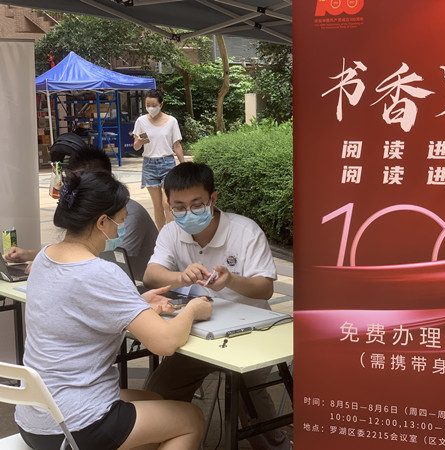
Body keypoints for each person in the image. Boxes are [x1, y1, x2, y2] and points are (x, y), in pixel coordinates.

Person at [14, 169, 213, 450]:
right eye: (119, 221)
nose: (120, 230)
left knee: (156, 401)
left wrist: (137, 304)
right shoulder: (102, 271)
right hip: (75, 425)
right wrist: (193, 309)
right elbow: (165, 343)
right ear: (101, 222)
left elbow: (78, 305)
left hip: (35, 417)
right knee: (191, 419)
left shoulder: (44, 258)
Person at [143, 162, 291, 450]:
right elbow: (151, 274)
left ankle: (275, 444)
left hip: (252, 332)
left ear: (213, 199)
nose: (188, 213)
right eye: (179, 207)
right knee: (163, 387)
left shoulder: (245, 231)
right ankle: (172, 438)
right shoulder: (171, 232)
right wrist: (179, 276)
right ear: (168, 205)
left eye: (197, 204)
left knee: (248, 400)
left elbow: (265, 288)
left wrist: (231, 281)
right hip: (199, 332)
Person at [5, 145, 158, 280]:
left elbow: (107, 261)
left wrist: (50, 263)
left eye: (84, 183)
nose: (75, 189)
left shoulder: (127, 214)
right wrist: (34, 255)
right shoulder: (87, 214)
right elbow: (73, 249)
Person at [133, 88, 185, 231]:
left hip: (167, 163)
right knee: (157, 205)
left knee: (167, 203)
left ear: (161, 104)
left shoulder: (171, 121)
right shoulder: (141, 121)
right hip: (149, 164)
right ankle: (161, 235)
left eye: (154, 105)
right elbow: (136, 146)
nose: (150, 107)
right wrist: (139, 142)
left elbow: (177, 145)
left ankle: (172, 234)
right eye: (147, 105)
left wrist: (183, 166)